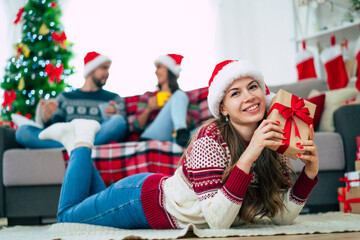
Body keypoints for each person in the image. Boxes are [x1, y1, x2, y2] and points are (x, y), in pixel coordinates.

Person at [38, 59, 319, 229]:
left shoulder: (271, 140)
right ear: (222, 108)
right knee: (68, 217)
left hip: (152, 193)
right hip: (141, 200)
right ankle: (81, 141)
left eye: (253, 87)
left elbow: (281, 218)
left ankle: (78, 143)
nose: (249, 97)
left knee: (91, 205)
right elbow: (218, 222)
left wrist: (309, 174)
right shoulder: (210, 140)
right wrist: (250, 153)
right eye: (236, 92)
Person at [15, 51, 127, 149]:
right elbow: (54, 129)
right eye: (104, 68)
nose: (107, 73)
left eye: (108, 69)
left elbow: (121, 129)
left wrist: (116, 116)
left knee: (118, 121)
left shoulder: (114, 99)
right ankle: (80, 147)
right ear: (92, 69)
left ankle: (77, 147)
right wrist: (47, 119)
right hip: (67, 138)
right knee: (22, 132)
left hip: (95, 136)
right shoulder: (65, 97)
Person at [133, 53, 197, 147]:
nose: (156, 72)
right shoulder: (148, 96)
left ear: (170, 70)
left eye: (159, 67)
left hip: (178, 137)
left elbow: (195, 123)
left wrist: (176, 109)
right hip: (153, 136)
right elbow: (136, 126)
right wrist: (149, 109)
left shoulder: (187, 97)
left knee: (179, 95)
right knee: (179, 95)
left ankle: (181, 132)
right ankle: (181, 132)